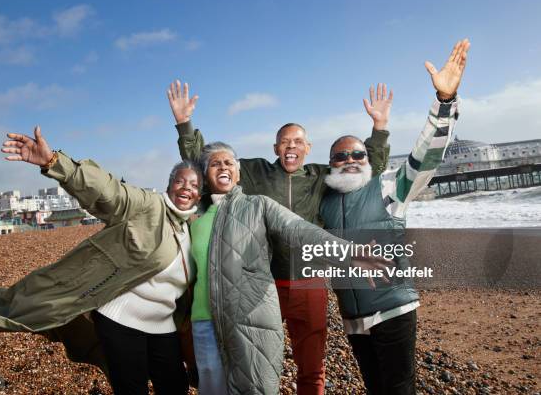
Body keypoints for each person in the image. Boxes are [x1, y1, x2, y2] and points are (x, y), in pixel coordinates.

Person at [168, 80, 390, 395]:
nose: (291, 147)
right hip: (263, 286)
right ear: (275, 149)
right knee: (257, 362)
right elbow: (208, 164)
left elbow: (366, 172)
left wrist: (379, 129)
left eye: (298, 141)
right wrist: (184, 125)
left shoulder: (318, 177)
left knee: (311, 367)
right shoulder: (256, 173)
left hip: (309, 283)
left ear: (308, 148)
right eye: (284, 142)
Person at [0, 126, 203, 395]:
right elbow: (108, 190)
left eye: (194, 185)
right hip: (121, 320)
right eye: (180, 181)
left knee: (175, 385)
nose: (186, 187)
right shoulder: (147, 205)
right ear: (169, 185)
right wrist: (56, 163)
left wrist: (186, 126)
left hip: (163, 324)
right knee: (132, 388)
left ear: (200, 195)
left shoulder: (190, 227)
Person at [320, 39, 470, 395]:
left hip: (393, 310)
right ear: (331, 163)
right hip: (353, 320)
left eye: (357, 153)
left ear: (367, 159)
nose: (350, 159)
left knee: (399, 389)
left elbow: (426, 157)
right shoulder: (322, 204)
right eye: (341, 155)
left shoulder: (389, 187)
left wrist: (444, 102)